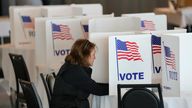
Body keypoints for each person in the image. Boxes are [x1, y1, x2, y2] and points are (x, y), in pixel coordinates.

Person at [50, 39, 109, 108]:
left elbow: (92, 86)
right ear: (85, 56)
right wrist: (115, 87)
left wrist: (111, 86)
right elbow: (97, 90)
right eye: (93, 55)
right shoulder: (74, 71)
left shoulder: (71, 66)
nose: (95, 58)